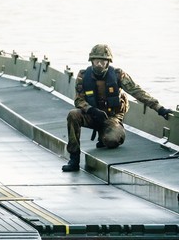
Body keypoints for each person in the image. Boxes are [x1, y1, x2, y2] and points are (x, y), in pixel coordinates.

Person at [64, 44, 174, 172]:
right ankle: (74, 158)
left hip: (111, 117)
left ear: (108, 62)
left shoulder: (118, 75)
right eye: (96, 61)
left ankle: (106, 135)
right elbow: (79, 100)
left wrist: (159, 108)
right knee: (73, 114)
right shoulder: (83, 76)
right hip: (92, 115)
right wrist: (91, 110)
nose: (99, 64)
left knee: (111, 141)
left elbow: (138, 92)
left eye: (103, 61)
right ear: (91, 61)